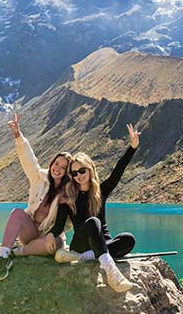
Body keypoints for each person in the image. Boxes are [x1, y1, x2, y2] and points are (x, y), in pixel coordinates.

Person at [49, 123, 142, 292]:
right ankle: (112, 273)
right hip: (81, 243)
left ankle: (84, 257)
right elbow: (58, 226)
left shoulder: (101, 191)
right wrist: (46, 237)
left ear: (90, 169)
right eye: (74, 173)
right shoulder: (68, 198)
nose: (78, 176)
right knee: (93, 222)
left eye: (82, 171)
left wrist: (132, 147)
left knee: (128, 239)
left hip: (103, 242)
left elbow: (118, 171)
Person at [0, 115, 74, 263]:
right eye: (56, 164)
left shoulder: (68, 193)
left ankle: (18, 252)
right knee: (17, 213)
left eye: (63, 167)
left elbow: (67, 222)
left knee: (54, 244)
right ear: (52, 163)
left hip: (49, 236)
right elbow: (28, 160)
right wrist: (17, 135)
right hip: (30, 231)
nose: (58, 169)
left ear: (67, 172)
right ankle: (3, 254)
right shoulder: (39, 178)